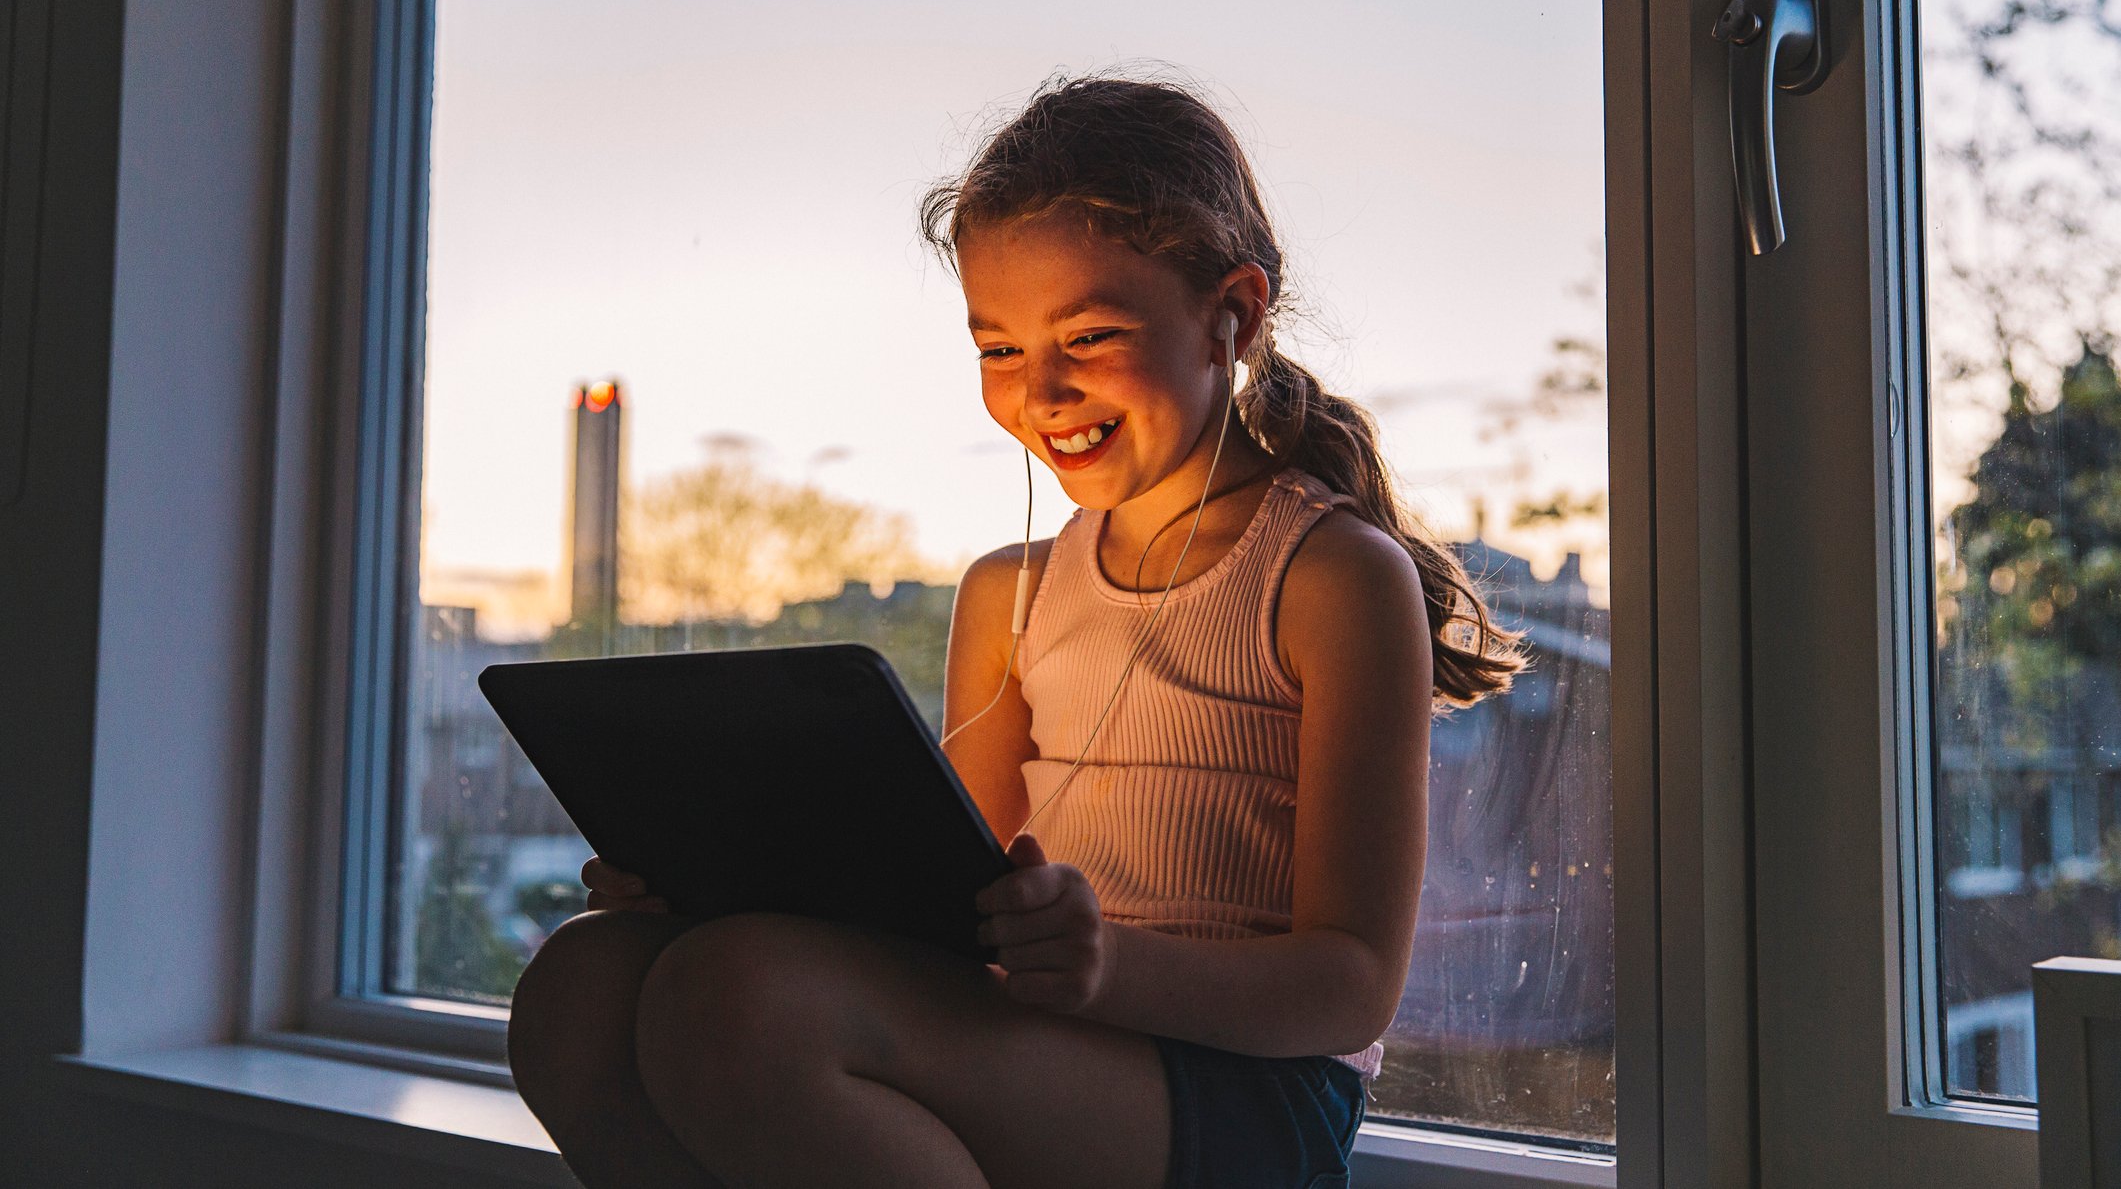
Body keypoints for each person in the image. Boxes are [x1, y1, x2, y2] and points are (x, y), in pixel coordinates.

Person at [506, 75, 1524, 1189]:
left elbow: (1351, 985)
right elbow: (934, 901)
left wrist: (1104, 968)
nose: (1041, 391)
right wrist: (710, 880)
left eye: (1088, 334)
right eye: (998, 349)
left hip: (1246, 1086)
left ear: (1232, 314)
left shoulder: (1332, 577)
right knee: (581, 986)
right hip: (1050, 1043)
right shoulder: (1009, 594)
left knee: (739, 1001)